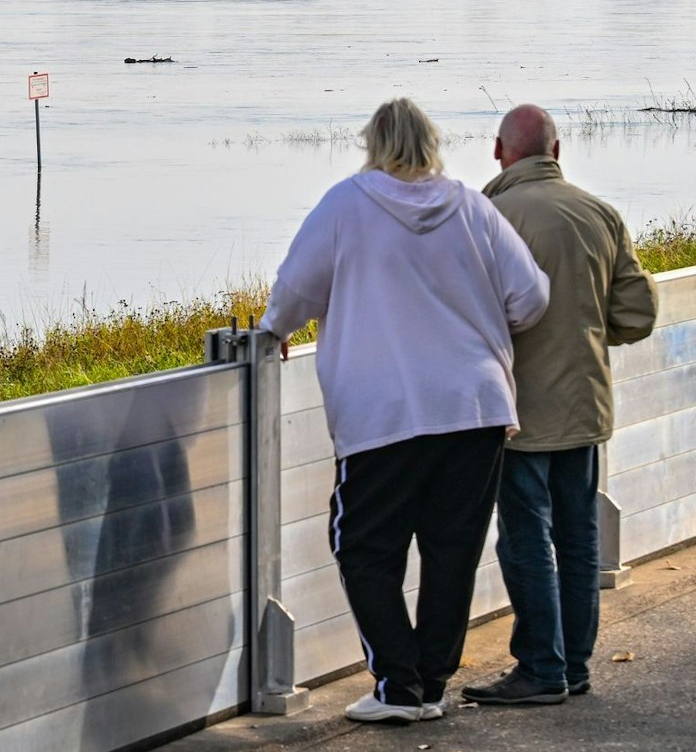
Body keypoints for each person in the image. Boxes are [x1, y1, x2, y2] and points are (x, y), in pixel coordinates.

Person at [262, 98, 549, 726]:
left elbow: (296, 288)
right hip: (474, 407)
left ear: (373, 142)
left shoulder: (347, 203)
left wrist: (273, 329)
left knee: (363, 546)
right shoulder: (473, 207)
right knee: (452, 551)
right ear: (432, 142)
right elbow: (530, 297)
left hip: (384, 411)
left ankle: (397, 685)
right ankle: (431, 685)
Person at [459, 104, 659, 706]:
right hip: (586, 407)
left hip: (517, 413)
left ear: (499, 152)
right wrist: (587, 335)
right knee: (577, 538)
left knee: (525, 539)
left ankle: (540, 669)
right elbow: (638, 314)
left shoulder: (487, 216)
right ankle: (574, 666)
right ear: (558, 150)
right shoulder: (600, 214)